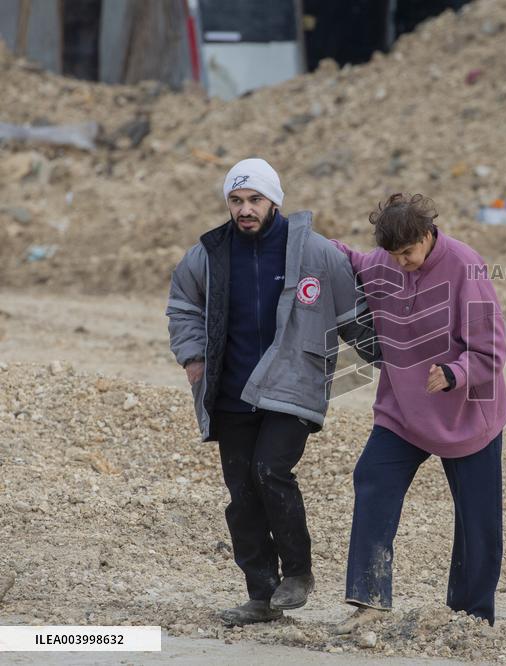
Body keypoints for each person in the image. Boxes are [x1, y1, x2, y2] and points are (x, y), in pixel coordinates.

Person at [165, 158, 379, 626]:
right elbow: (182, 306)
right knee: (242, 493)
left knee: (270, 470)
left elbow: (353, 319)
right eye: (236, 201)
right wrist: (194, 359)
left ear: (275, 201)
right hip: (230, 390)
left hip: (293, 386)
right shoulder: (208, 254)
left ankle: (298, 574)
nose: (245, 209)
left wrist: (394, 361)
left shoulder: (317, 254)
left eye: (254, 200)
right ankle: (260, 595)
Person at [327, 193, 506, 632]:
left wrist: (454, 372)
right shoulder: (384, 263)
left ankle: (471, 616)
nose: (402, 263)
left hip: (467, 413)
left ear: (428, 235)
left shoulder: (467, 266)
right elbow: (348, 258)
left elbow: (493, 349)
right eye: (394, 255)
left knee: (477, 520)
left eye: (408, 252)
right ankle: (369, 598)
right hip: (402, 410)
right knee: (372, 478)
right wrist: (313, 245)